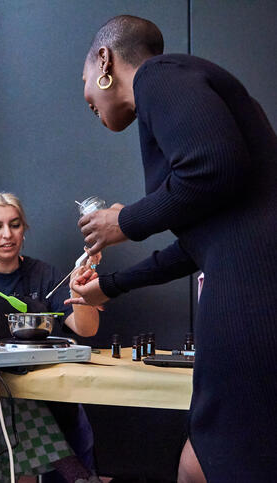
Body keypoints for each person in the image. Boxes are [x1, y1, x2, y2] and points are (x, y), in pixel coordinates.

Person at [70, 15, 277, 482]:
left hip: (252, 302)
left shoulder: (159, 76)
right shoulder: (176, 86)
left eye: (82, 80)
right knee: (201, 460)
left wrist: (124, 220)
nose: (85, 97)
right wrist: (112, 286)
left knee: (223, 457)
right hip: (249, 288)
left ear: (104, 59)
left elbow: (213, 166)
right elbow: (198, 243)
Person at [0, 191, 101, 482]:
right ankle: (77, 474)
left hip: (42, 391)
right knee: (14, 406)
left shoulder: (44, 274)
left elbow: (86, 329)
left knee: (16, 418)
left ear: (24, 230)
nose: (7, 234)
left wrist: (79, 288)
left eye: (15, 225)